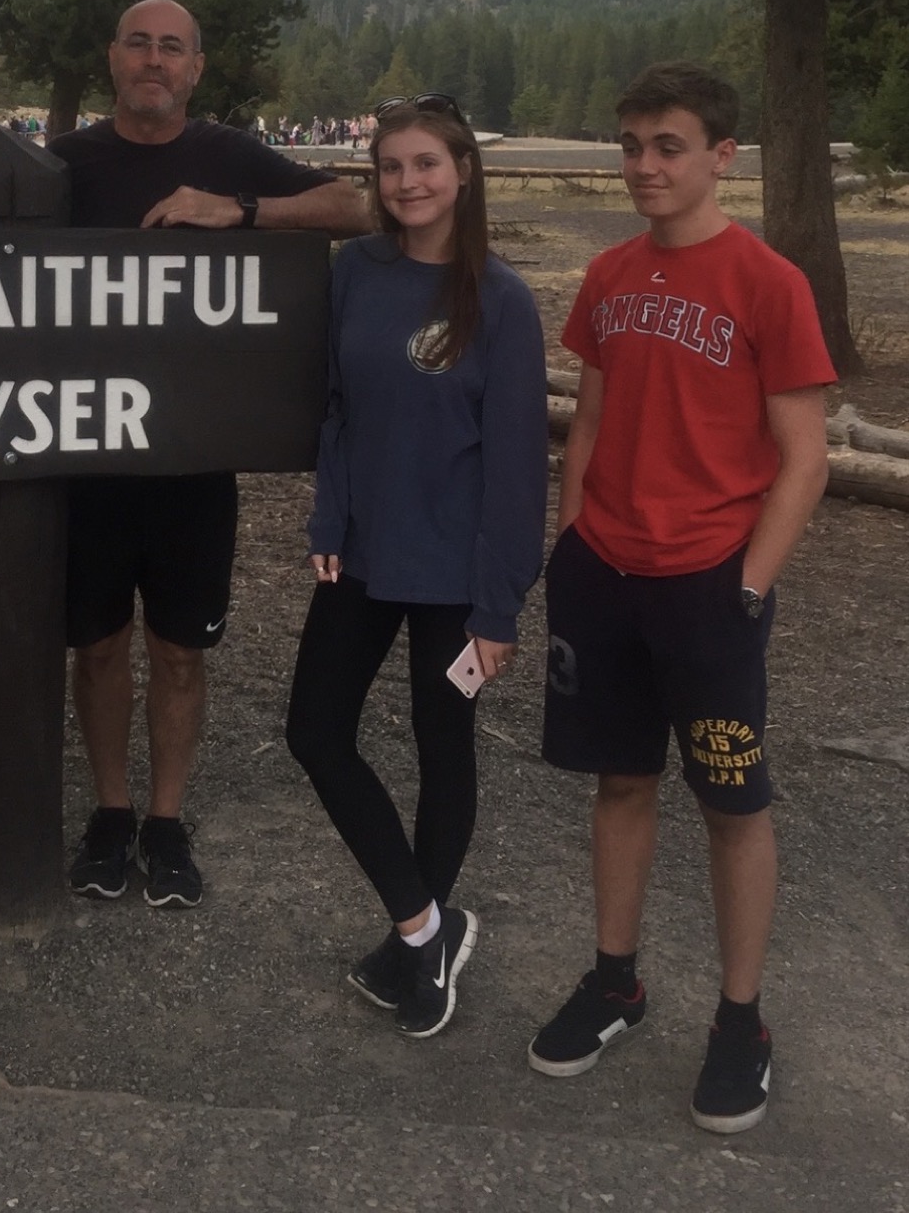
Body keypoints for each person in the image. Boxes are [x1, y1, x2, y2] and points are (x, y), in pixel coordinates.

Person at [528, 62, 832, 1135]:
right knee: (619, 781)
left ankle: (740, 1021)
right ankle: (616, 980)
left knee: (731, 803)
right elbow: (594, 420)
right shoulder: (609, 275)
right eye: (630, 145)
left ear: (719, 158)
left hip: (710, 581)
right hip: (605, 574)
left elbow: (805, 458)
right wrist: (570, 541)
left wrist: (746, 587)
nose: (644, 165)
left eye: (667, 146)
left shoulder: (767, 283)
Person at [46, 0, 370, 908]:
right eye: (138, 43)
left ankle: (165, 819)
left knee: (180, 652)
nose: (154, 60)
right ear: (113, 57)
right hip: (87, 457)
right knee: (99, 647)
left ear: (194, 68)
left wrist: (239, 209)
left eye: (172, 48)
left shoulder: (228, 156)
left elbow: (354, 205)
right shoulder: (61, 165)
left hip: (195, 459)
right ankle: (110, 813)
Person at [286, 94, 548, 1038]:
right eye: (391, 166)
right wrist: (327, 511)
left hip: (457, 571)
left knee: (444, 751)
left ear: (462, 172)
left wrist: (500, 606)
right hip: (361, 552)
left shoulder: (503, 301)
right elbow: (337, 408)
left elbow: (518, 468)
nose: (407, 183)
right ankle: (424, 926)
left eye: (425, 164)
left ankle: (417, 947)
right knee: (314, 731)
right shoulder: (354, 270)